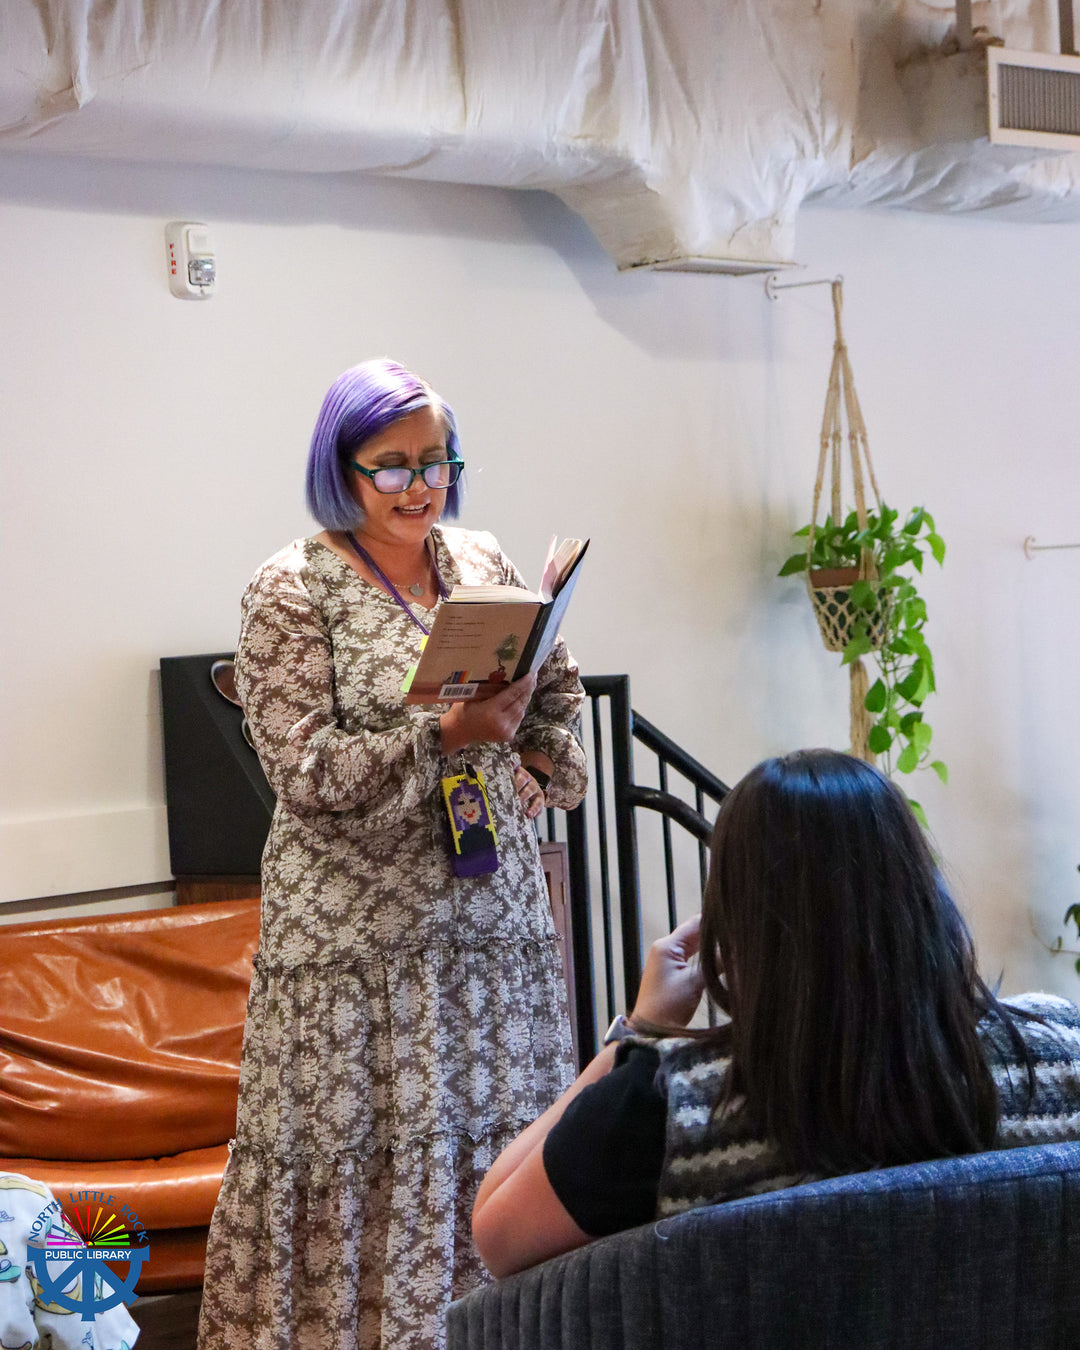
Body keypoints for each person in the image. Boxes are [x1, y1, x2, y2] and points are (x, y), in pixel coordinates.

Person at [197, 359, 588, 1350]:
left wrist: (538, 763)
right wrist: (445, 738)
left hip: (490, 934)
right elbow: (304, 770)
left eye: (438, 461)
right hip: (357, 949)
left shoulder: (482, 559)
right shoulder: (291, 587)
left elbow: (556, 690)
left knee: (503, 1150)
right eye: (394, 465)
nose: (422, 485)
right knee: (363, 1160)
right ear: (341, 469)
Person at [472, 748, 1080, 1278]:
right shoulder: (1060, 1047)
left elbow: (494, 1233)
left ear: (736, 928)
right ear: (923, 895)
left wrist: (640, 1032)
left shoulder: (667, 1105)